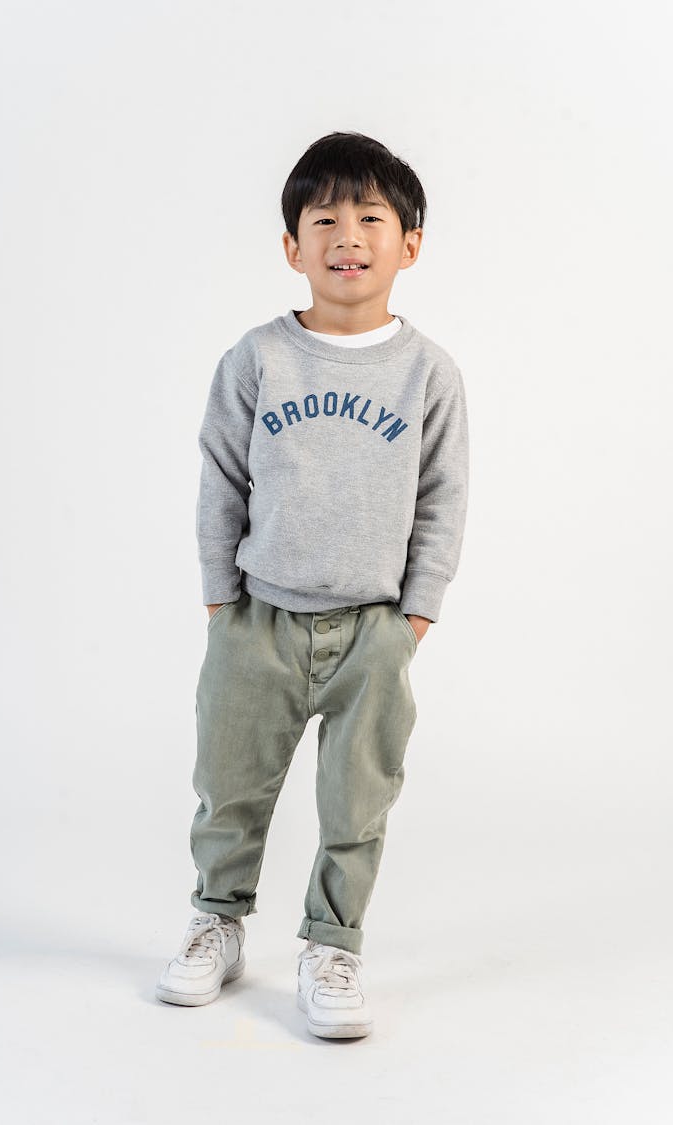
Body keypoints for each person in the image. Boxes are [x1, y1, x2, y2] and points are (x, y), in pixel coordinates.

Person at [156, 131, 470, 1039]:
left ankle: (334, 941)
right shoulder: (259, 358)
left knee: (358, 796)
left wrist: (414, 612)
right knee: (229, 781)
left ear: (410, 243)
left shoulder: (427, 373)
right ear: (292, 246)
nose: (348, 233)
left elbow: (445, 494)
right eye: (324, 216)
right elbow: (220, 473)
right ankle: (217, 917)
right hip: (259, 619)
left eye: (372, 216)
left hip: (373, 628)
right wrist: (223, 598)